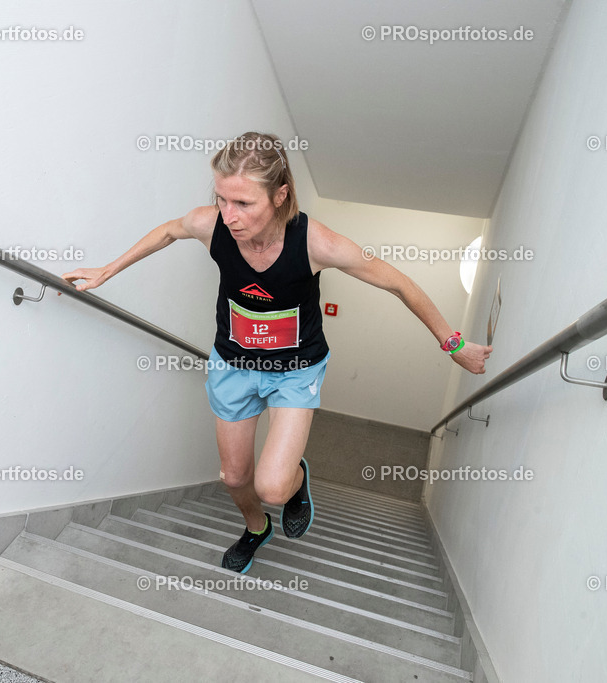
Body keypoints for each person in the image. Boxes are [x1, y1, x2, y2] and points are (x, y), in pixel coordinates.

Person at [63, 132, 491, 574]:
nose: (228, 216)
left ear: (280, 194)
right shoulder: (211, 225)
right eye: (222, 199)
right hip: (233, 364)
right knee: (233, 477)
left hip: (295, 370)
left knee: (272, 486)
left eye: (243, 203)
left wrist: (453, 344)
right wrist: (106, 270)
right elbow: (170, 230)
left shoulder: (316, 242)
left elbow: (398, 281)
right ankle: (255, 529)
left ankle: (297, 479)